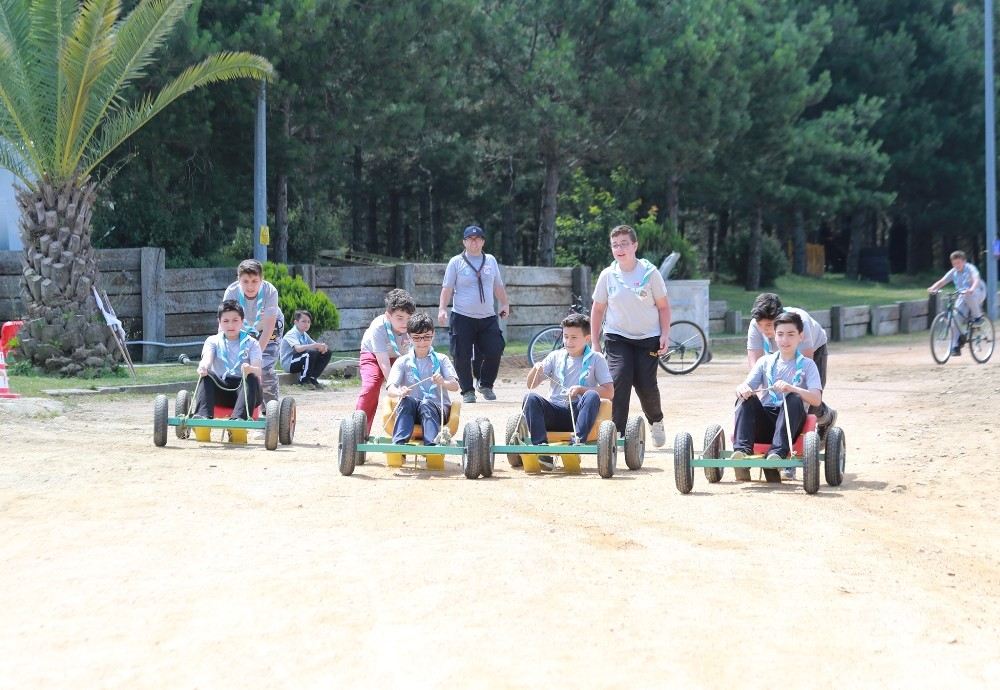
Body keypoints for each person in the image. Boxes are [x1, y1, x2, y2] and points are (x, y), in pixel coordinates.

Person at [590, 224, 670, 448]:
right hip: (617, 337)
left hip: (648, 338)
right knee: (619, 379)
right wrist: (595, 342)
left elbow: (663, 307)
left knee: (646, 385)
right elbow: (597, 309)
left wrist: (665, 334)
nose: (619, 248)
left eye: (624, 243)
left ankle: (656, 421)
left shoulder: (650, 273)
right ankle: (616, 433)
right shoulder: (608, 275)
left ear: (635, 245)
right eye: (615, 245)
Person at [745, 293, 837, 480]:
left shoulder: (798, 323)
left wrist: (793, 397)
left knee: (804, 402)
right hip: (776, 357)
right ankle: (774, 448)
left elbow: (803, 369)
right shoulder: (756, 326)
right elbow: (755, 366)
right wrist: (764, 395)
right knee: (774, 404)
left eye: (770, 326)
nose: (766, 331)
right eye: (762, 327)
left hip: (811, 351)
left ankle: (825, 418)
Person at [733, 311, 823, 483]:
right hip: (766, 418)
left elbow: (816, 399)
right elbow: (746, 386)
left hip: (792, 423)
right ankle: (742, 453)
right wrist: (742, 389)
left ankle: (777, 454)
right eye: (780, 334)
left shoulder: (808, 365)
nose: (785, 340)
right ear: (774, 336)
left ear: (800, 336)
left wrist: (792, 388)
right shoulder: (765, 362)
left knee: (793, 398)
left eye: (791, 335)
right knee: (745, 399)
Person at [523, 313, 614, 471]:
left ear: (586, 339)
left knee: (592, 395)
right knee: (530, 398)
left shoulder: (596, 358)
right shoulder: (555, 356)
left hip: (580, 412)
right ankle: (542, 451)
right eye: (565, 337)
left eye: (573, 337)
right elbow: (531, 384)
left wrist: (582, 389)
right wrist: (534, 370)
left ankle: (576, 443)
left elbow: (609, 391)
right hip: (556, 410)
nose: (568, 342)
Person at [437, 225, 510, 403]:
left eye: (478, 239)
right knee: (461, 354)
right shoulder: (456, 262)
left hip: (487, 316)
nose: (474, 242)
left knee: (495, 348)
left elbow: (497, 285)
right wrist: (442, 308)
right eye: (470, 239)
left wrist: (504, 303)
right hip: (462, 316)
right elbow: (447, 288)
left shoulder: (491, 260)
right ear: (464, 242)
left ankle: (485, 384)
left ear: (483, 242)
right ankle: (467, 390)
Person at [386, 313, 460, 445]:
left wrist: (443, 382)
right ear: (409, 337)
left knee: (426, 403)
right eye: (417, 338)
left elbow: (455, 386)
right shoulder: (403, 361)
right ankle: (398, 446)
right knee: (407, 401)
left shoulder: (442, 359)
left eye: (427, 337)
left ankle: (431, 446)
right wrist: (399, 392)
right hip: (411, 411)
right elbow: (391, 389)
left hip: (436, 409)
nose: (422, 342)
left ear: (433, 334)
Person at [222, 259, 282, 407]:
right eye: (246, 281)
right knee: (236, 365)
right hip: (241, 327)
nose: (250, 286)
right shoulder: (231, 292)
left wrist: (256, 354)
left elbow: (269, 327)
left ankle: (270, 406)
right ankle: (241, 403)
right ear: (238, 279)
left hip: (267, 327)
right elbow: (224, 322)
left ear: (261, 279)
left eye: (255, 281)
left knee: (264, 366)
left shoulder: (270, 291)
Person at [357, 289, 416, 435]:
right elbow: (383, 363)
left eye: (408, 318)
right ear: (388, 316)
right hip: (374, 355)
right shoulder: (378, 327)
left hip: (399, 357)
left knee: (412, 386)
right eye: (400, 318)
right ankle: (359, 430)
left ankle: (412, 430)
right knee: (371, 386)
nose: (405, 323)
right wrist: (393, 386)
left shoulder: (412, 326)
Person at [193, 300, 263, 419]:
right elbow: (207, 359)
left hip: (245, 392)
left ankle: (238, 420)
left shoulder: (252, 343)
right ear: (219, 322)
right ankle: (202, 417)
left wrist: (250, 368)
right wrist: (203, 366)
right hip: (221, 389)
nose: (231, 325)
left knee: (251, 376)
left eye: (235, 320)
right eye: (226, 321)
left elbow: (258, 370)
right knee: (207, 375)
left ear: (242, 321)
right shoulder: (213, 341)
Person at [927, 250, 987, 356]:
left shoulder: (970, 268)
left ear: (964, 261)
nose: (957, 265)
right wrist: (933, 287)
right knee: (954, 318)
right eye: (954, 264)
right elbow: (942, 281)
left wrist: (972, 288)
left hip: (978, 291)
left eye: (959, 263)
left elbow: (976, 279)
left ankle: (978, 318)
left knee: (968, 295)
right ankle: (955, 346)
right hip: (963, 295)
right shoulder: (953, 271)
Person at [279, 309, 331, 389]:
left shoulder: (304, 334)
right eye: (303, 321)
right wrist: (315, 346)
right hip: (289, 363)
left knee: (327, 352)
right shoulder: (292, 333)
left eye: (308, 322)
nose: (306, 324)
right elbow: (298, 349)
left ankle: (312, 378)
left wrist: (322, 347)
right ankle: (304, 381)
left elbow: (314, 346)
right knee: (310, 353)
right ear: (296, 322)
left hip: (299, 359)